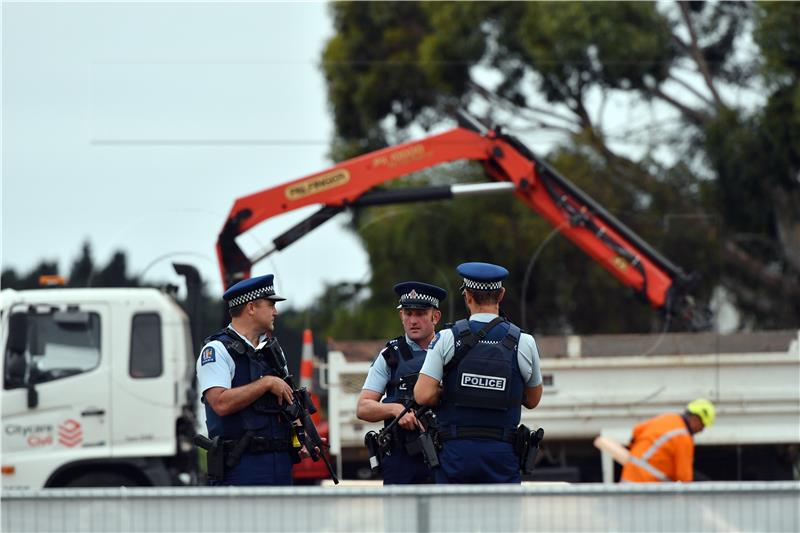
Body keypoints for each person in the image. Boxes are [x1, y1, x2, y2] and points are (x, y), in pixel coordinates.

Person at [414, 262, 543, 484]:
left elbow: (423, 395)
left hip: (456, 455)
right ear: (501, 294)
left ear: (467, 296)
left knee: (452, 519)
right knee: (502, 518)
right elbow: (533, 399)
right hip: (502, 455)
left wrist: (448, 393)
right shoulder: (524, 341)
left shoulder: (446, 338)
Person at [195, 274, 296, 486]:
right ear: (251, 308)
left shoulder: (273, 353)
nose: (275, 312)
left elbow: (287, 401)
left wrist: (300, 438)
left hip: (280, 464)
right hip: (241, 466)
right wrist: (266, 383)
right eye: (270, 305)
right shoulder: (217, 350)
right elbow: (220, 403)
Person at [356, 281, 447, 484]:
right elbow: (363, 407)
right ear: (401, 316)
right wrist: (395, 410)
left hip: (444, 455)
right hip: (401, 459)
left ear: (435, 316)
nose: (413, 320)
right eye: (408, 313)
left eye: (420, 313)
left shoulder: (449, 351)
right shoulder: (390, 356)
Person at [620, 398, 716, 483]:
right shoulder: (683, 437)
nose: (701, 430)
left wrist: (634, 452)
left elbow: (637, 430)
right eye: (703, 426)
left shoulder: (669, 418)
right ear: (696, 419)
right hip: (648, 486)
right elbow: (684, 476)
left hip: (628, 477)